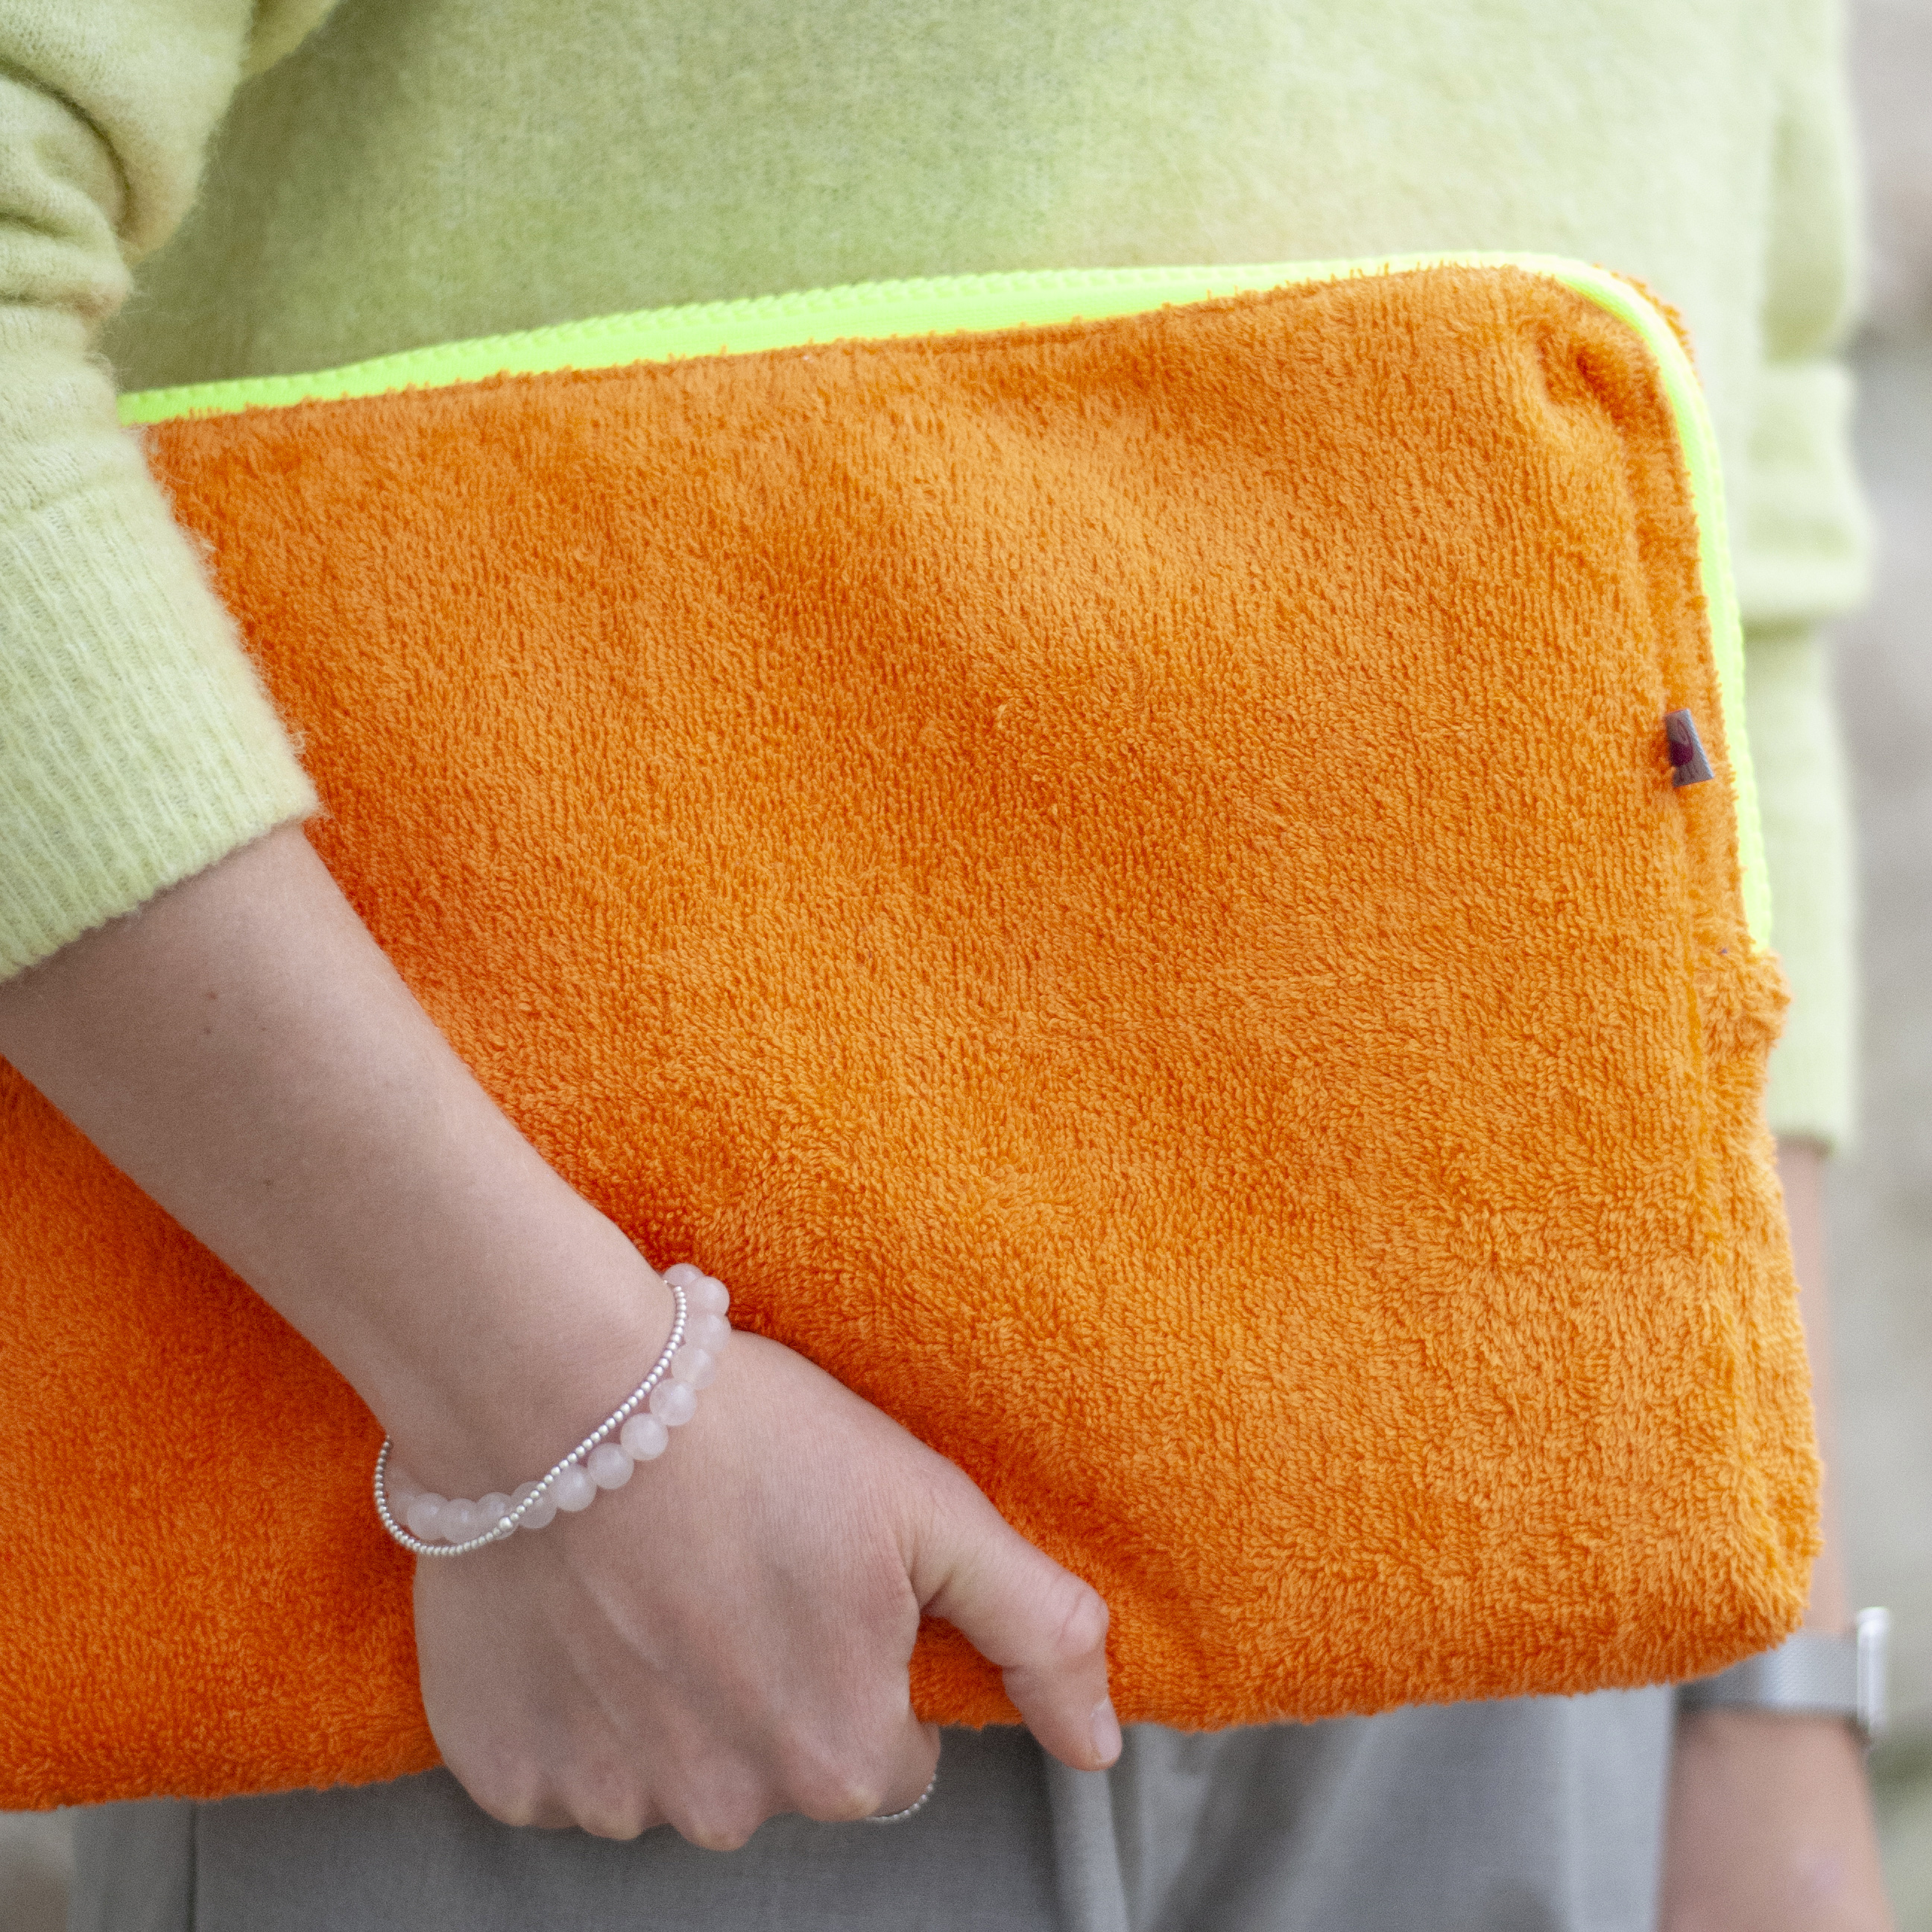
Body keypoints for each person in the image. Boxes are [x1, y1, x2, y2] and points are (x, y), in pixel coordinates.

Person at [0, 1, 1893, 1925]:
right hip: (594, 1592)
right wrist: (547, 1401)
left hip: (1531, 1627)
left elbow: (1729, 549)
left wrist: (1770, 1689)